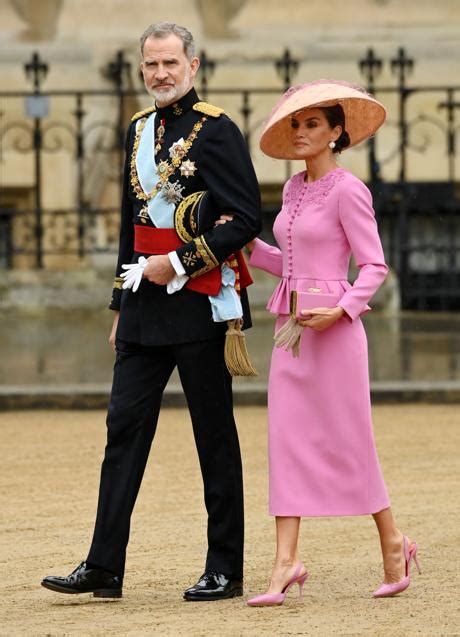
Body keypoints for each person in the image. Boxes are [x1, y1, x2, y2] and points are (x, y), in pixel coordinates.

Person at [41, 22, 261, 602]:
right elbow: (128, 229)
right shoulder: (138, 129)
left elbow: (245, 218)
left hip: (197, 304)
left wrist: (182, 264)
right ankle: (103, 566)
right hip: (142, 308)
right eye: (150, 65)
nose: (160, 74)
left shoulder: (217, 131)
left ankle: (225, 569)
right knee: (122, 432)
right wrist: (120, 302)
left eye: (170, 63)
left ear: (193, 64)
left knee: (213, 437)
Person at [241, 80, 420, 606]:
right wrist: (248, 244)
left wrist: (341, 309)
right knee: (286, 441)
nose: (301, 132)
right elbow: (290, 264)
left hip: (336, 333)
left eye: (312, 124)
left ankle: (393, 541)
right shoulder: (293, 190)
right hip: (289, 330)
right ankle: (285, 562)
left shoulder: (349, 189)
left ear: (337, 132)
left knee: (350, 439)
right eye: (296, 124)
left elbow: (374, 265)